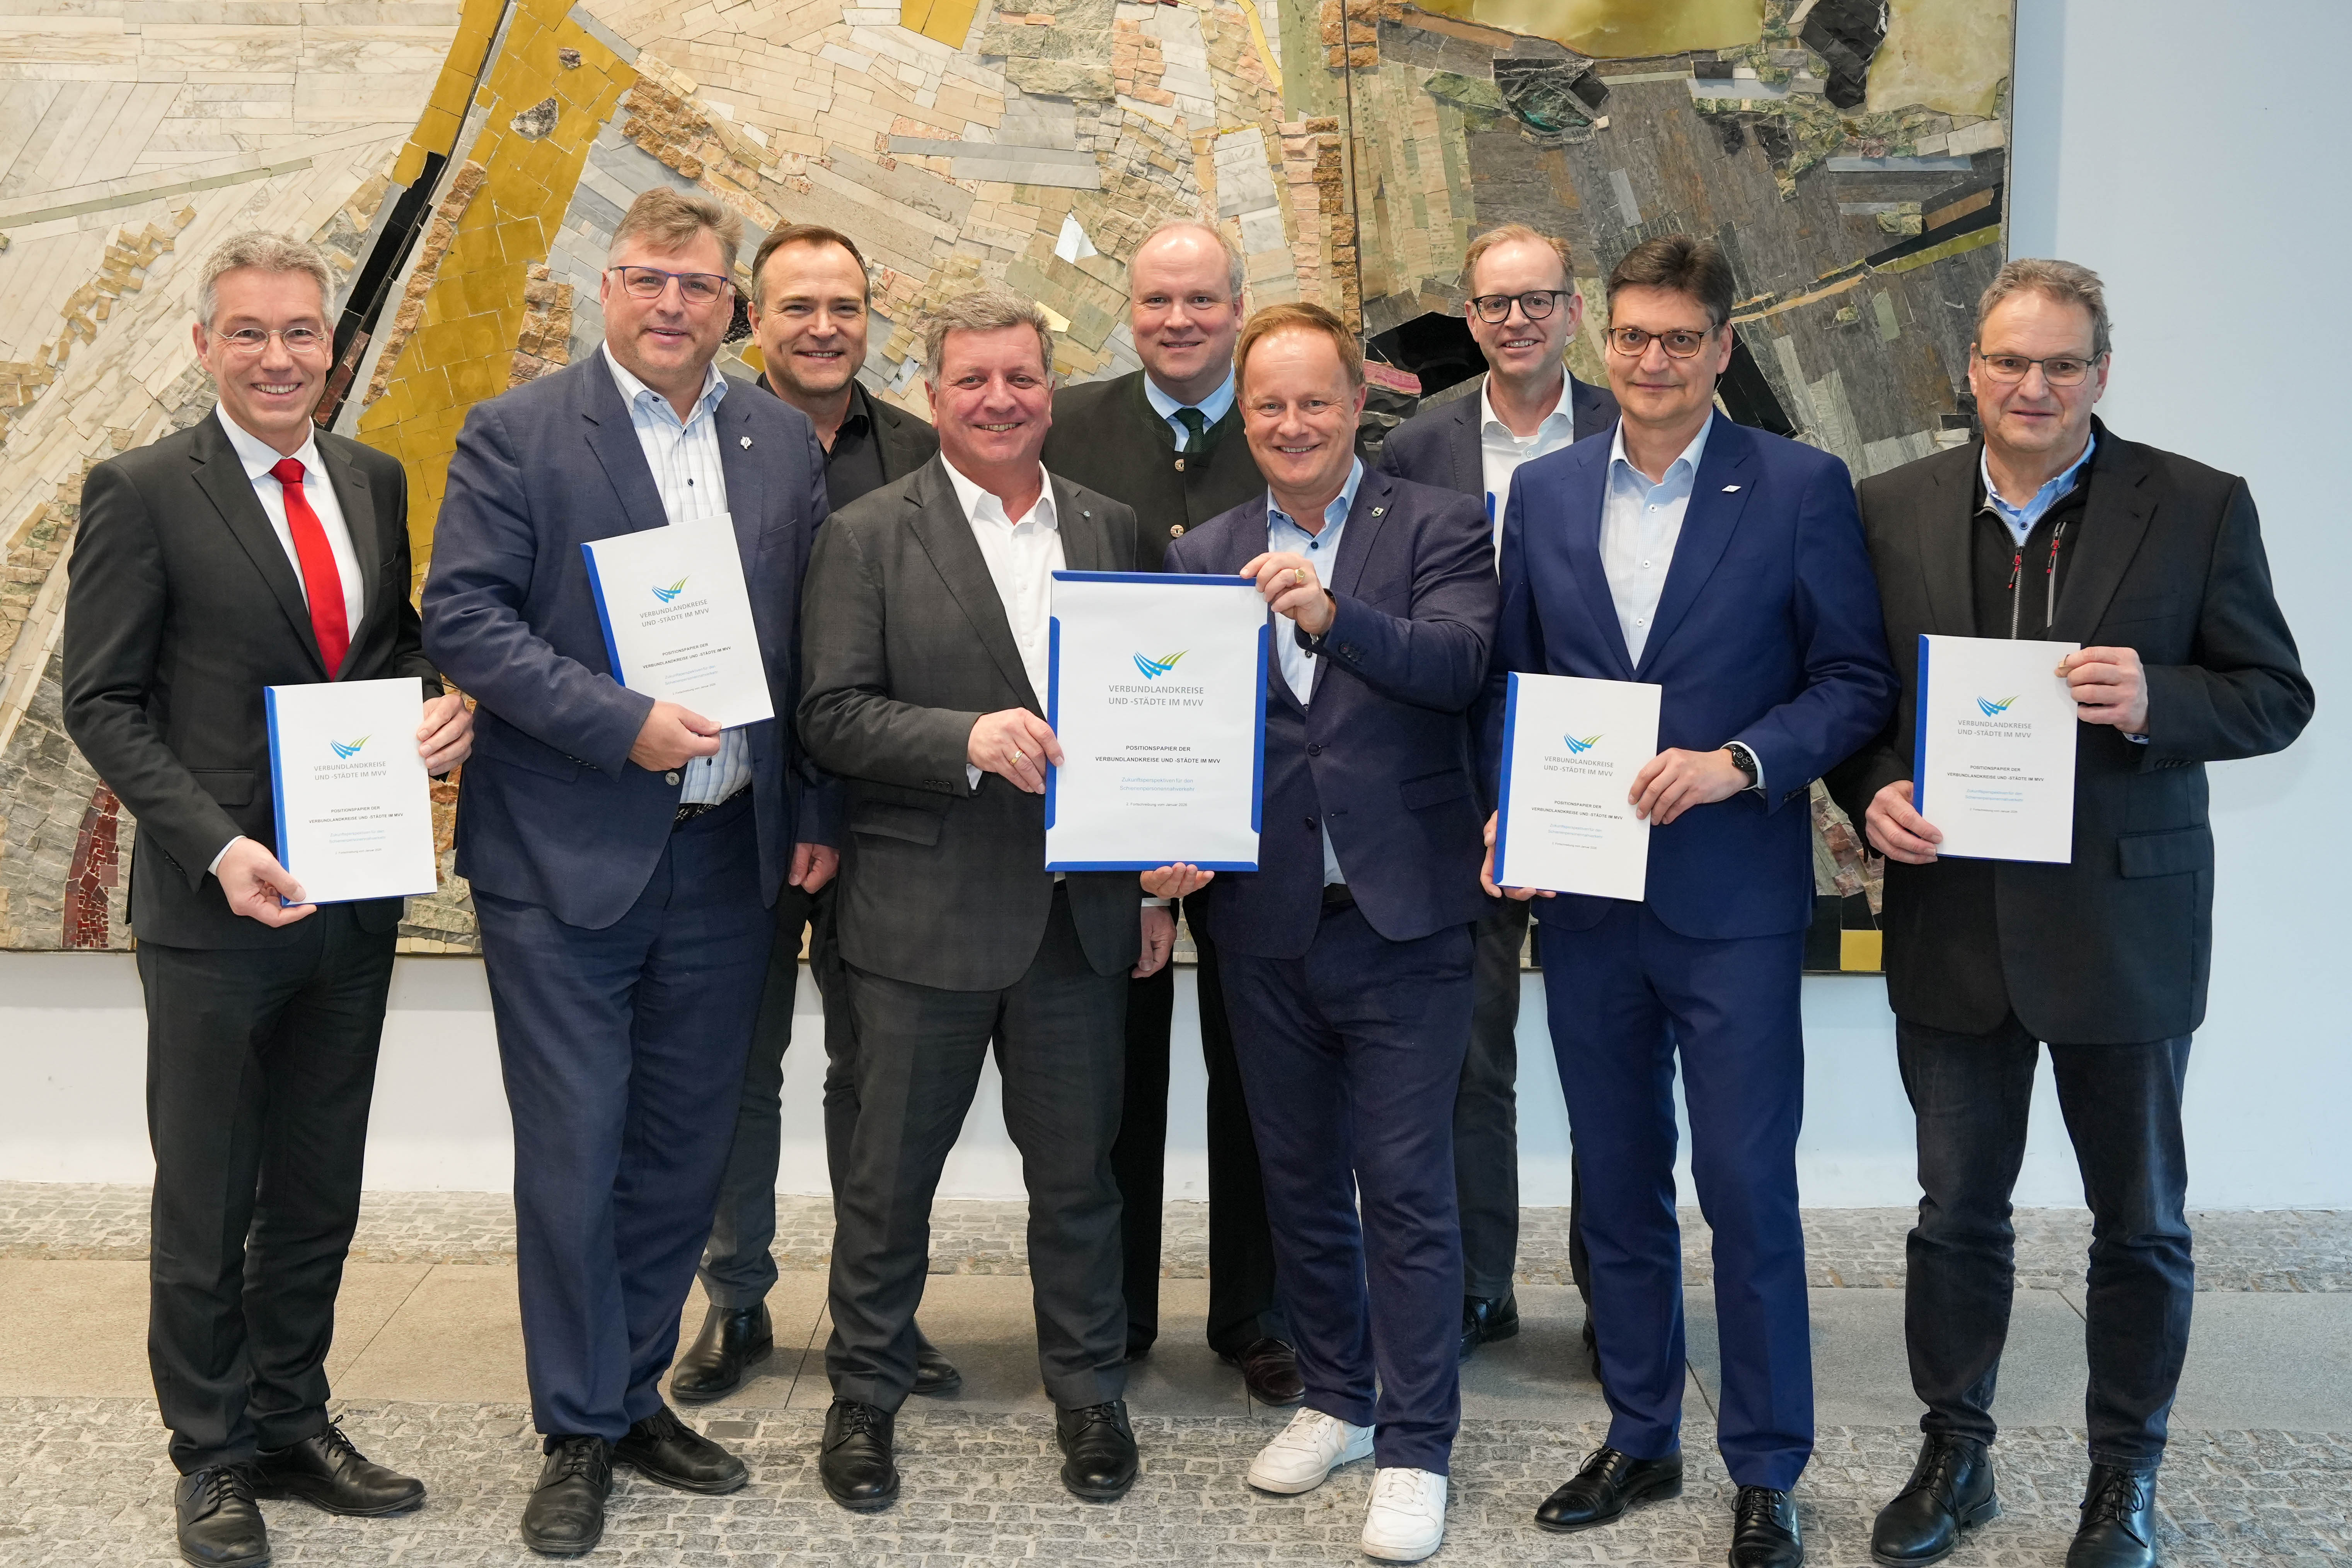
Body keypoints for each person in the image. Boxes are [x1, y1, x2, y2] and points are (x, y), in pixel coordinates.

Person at [1825, 259, 2311, 1568]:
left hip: (2123, 933)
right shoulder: (1887, 509)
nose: (2030, 386)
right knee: (1953, 1219)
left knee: (2138, 1227)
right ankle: (1955, 1454)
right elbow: (1852, 703)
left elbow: (2274, 695)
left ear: (2102, 372)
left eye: (2059, 364)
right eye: (2006, 362)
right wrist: (1870, 792)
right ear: (1968, 371)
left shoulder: (2199, 505)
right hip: (1952, 924)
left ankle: (2122, 1479)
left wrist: (2158, 701)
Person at [420, 187, 837, 1556]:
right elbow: (465, 621)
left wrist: (812, 804)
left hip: (730, 859)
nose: (673, 306)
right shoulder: (519, 433)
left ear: (732, 306)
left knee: (676, 1152)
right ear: (608, 288)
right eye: (650, 280)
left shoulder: (778, 439)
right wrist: (624, 724)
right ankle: (575, 1427)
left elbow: (811, 642)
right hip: (565, 857)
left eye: (699, 286)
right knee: (576, 1150)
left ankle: (631, 1389)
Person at [61, 231, 472, 1568]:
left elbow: (388, 643)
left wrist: (435, 708)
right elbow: (103, 702)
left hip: (350, 901)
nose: (280, 357)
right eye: (250, 333)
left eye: (303, 334)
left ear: (335, 351)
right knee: (209, 1193)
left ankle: (293, 1419)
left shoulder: (370, 477)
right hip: (216, 908)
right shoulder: (139, 489)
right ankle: (213, 1455)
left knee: (314, 1186)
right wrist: (213, 846)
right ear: (203, 345)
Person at [1484, 235, 1897, 1568]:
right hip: (1590, 903)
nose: (1651, 362)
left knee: (1744, 1188)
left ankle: (1768, 1467)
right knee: (1613, 1188)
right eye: (1630, 338)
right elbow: (1518, 680)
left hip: (1731, 903)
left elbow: (1851, 681)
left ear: (1722, 349)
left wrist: (1739, 765)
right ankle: (1640, 1434)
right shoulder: (1543, 498)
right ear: (1601, 344)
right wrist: (1508, 805)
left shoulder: (1797, 487)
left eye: (1679, 339)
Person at [797, 288, 1161, 1510]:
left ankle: (1090, 1393)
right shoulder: (864, 535)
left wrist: (1161, 871)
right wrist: (965, 736)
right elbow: (832, 715)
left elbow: (1159, 728)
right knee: (887, 1183)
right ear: (934, 392)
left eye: (1021, 378)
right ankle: (862, 1395)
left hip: (1079, 921)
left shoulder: (1115, 529)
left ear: (1049, 388)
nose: (999, 400)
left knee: (1078, 1183)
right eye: (972, 382)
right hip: (918, 920)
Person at [1150, 302, 1494, 1563]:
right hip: (1264, 917)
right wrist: (1167, 843)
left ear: (1359, 407)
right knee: (1296, 1183)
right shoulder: (1202, 555)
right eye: (1266, 407)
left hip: (1404, 917)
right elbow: (1189, 735)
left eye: (1314, 402)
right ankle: (1339, 1398)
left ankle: (1415, 1444)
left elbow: (1458, 668)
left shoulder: (1442, 527)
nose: (1290, 425)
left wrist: (1329, 611)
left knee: (1404, 1192)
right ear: (1242, 421)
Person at [673, 222, 957, 1405]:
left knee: (877, 1080)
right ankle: (735, 1300)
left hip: (879, 819)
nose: (825, 327)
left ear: (870, 315)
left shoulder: (923, 453)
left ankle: (871, 1318)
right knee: (738, 1073)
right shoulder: (710, 441)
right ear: (755, 316)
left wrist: (836, 804)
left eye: (844, 304)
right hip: (737, 815)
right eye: (799, 307)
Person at [1039, 218, 1295, 1403]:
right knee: (1111, 1079)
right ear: (1125, 311)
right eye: (1155, 301)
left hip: (1260, 810)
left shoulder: (1285, 420)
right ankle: (1117, 1314)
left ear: (1238, 308)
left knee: (1261, 1075)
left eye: (1200, 300)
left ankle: (1259, 1311)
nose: (1177, 320)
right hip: (1108, 814)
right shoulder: (1067, 424)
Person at [1378, 222, 1619, 1369]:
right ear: (1467, 320)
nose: (1516, 320)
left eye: (1538, 299)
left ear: (1576, 311)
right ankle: (1481, 1287)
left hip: (1604, 783)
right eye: (1493, 304)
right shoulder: (1417, 445)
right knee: (1469, 1055)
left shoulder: (1638, 431)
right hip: (1456, 784)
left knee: (1608, 1048)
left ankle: (1612, 1289)